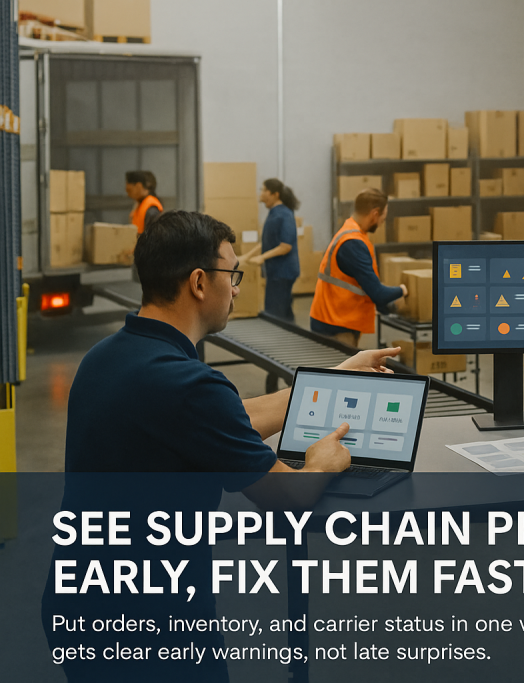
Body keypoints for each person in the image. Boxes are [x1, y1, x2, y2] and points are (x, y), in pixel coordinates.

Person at [45, 209, 401, 682]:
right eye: (231, 274)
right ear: (198, 282)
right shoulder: (187, 384)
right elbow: (289, 496)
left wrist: (337, 377)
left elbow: (234, 418)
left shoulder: (111, 355)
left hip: (84, 602)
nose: (235, 288)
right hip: (150, 625)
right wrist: (320, 462)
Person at [309, 188, 407, 347]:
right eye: (383, 217)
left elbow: (362, 285)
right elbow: (378, 294)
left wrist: (387, 308)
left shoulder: (350, 232)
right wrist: (403, 290)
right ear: (375, 214)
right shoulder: (353, 244)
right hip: (336, 326)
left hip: (331, 317)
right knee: (344, 371)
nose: (383, 222)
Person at [248, 178, 301, 321]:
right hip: (276, 272)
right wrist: (247, 256)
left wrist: (262, 258)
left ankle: (281, 339)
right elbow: (267, 243)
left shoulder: (284, 214)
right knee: (284, 312)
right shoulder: (274, 213)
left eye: (264, 190)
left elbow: (286, 246)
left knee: (275, 314)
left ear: (275, 194)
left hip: (283, 272)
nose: (261, 193)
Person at [126, 170, 163, 234]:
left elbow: (154, 237)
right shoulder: (140, 205)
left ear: (138, 186)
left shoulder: (151, 208)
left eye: (129, 190)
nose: (128, 195)